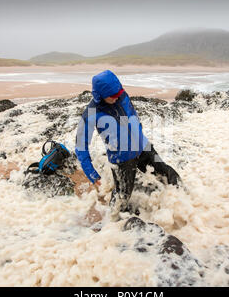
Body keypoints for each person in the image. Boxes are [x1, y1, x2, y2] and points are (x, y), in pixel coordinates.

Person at [75, 70, 181, 221]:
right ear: (100, 95)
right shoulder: (91, 113)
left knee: (166, 172)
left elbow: (132, 115)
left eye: (119, 92)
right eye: (113, 95)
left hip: (143, 147)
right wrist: (92, 175)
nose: (118, 96)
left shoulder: (122, 95)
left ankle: (185, 201)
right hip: (122, 159)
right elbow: (80, 146)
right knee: (121, 197)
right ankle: (111, 226)